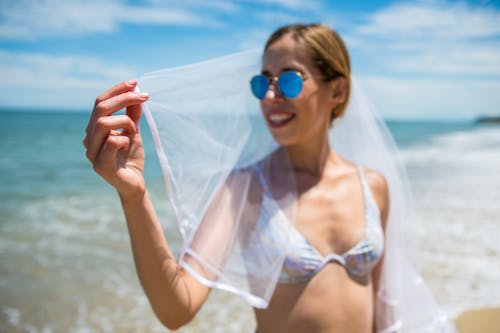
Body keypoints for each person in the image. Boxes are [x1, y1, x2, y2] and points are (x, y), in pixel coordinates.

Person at [84, 24, 452, 332]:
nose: (271, 96)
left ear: (336, 91)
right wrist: (134, 196)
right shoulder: (244, 189)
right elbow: (177, 309)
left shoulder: (372, 186)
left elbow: (384, 306)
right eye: (263, 83)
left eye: (289, 81)